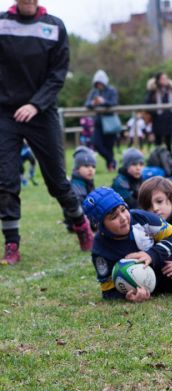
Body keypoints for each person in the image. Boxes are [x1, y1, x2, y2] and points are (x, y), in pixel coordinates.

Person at [0, 0, 94, 265]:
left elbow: (57, 75)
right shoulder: (2, 23)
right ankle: (12, 245)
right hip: (6, 113)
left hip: (42, 112)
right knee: (5, 182)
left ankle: (81, 225)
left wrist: (35, 104)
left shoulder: (54, 27)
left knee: (56, 181)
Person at [85, 69, 119, 171]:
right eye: (97, 83)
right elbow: (87, 104)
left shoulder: (112, 90)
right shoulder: (94, 91)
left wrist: (103, 101)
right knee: (96, 144)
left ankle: (110, 167)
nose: (99, 85)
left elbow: (114, 102)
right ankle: (112, 160)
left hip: (109, 122)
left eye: (100, 83)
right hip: (98, 123)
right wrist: (93, 103)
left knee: (109, 146)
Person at [64, 146, 96, 232]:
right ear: (77, 169)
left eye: (93, 166)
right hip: (77, 220)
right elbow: (80, 205)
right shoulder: (77, 185)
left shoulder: (87, 182)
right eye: (86, 166)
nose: (90, 169)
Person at [146, 72, 172, 157]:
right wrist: (155, 113)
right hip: (157, 120)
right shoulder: (153, 92)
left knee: (169, 143)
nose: (165, 80)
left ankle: (170, 161)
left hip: (169, 119)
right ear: (158, 80)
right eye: (163, 79)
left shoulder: (170, 90)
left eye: (166, 78)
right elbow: (148, 104)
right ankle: (159, 160)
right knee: (158, 143)